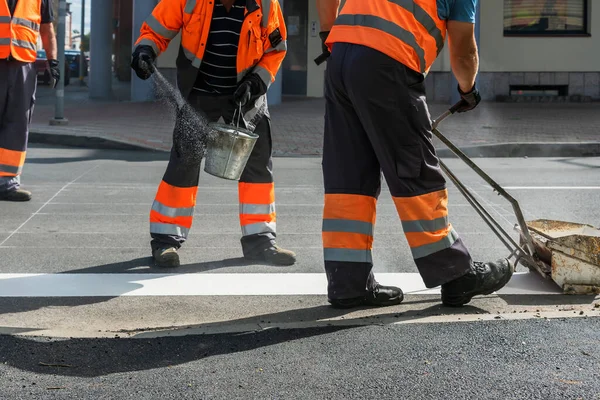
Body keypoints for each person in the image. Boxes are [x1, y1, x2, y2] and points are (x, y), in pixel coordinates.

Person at [315, 0, 514, 308]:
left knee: (349, 174)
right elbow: (463, 51)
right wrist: (468, 90)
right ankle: (454, 273)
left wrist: (329, 32)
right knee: (414, 166)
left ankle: (347, 282)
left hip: (341, 57)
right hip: (388, 63)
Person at [131, 0, 296, 268]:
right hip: (199, 95)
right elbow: (156, 30)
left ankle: (261, 242)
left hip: (246, 96)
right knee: (183, 165)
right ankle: (166, 241)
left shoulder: (266, 3)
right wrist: (144, 50)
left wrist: (256, 82)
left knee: (257, 169)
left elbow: (276, 49)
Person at [0, 0, 59, 201]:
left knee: (18, 124)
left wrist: (53, 61)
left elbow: (46, 28)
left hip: (23, 65)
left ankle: (7, 183)